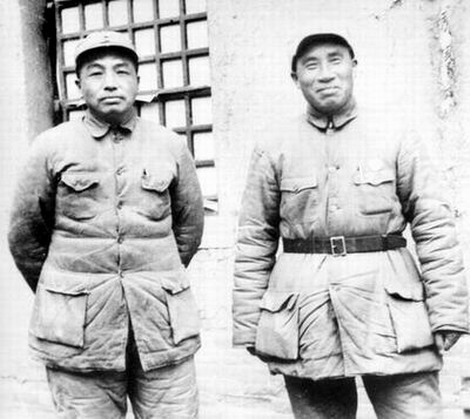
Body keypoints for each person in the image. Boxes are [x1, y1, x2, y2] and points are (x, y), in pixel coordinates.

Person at [232, 32, 469, 418]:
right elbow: (254, 238)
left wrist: (448, 310)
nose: (325, 73)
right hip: (305, 313)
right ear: (295, 78)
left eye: (335, 60)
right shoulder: (273, 145)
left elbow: (435, 226)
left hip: (391, 310)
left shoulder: (395, 134)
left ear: (353, 67)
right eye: (311, 65)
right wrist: (248, 323)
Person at [8, 31, 204, 418]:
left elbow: (188, 230)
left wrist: (151, 281)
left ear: (138, 81)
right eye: (96, 73)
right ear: (77, 85)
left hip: (161, 328)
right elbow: (26, 238)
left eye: (122, 71)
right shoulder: (50, 146)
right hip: (78, 337)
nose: (110, 82)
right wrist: (68, 292)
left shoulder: (169, 145)